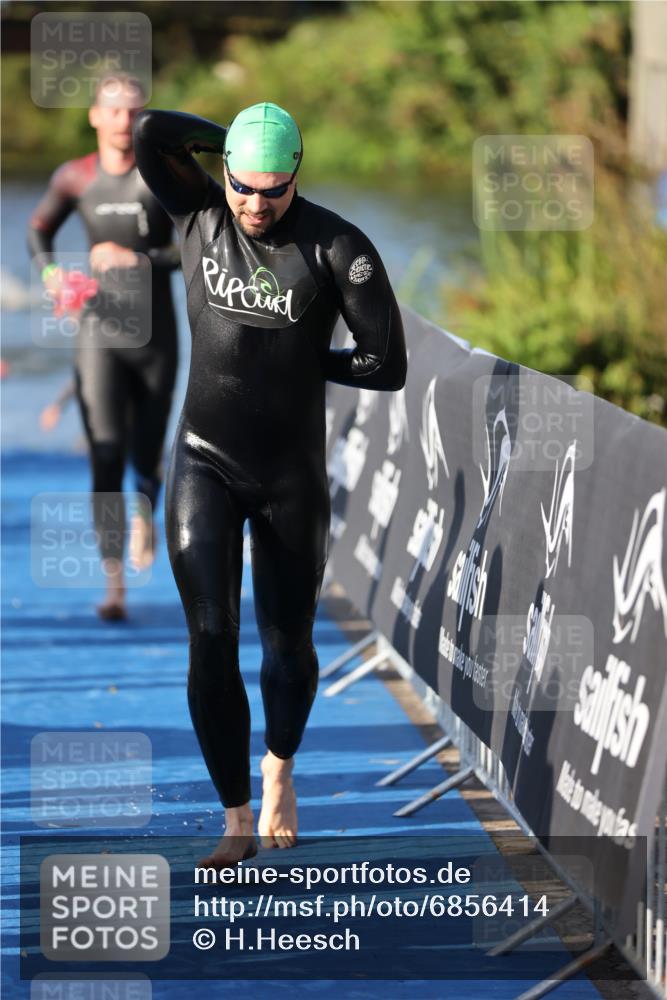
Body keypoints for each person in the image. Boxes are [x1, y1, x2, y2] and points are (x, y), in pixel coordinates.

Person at [132, 101, 407, 864]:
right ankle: (236, 819)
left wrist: (302, 359)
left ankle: (279, 766)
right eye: (243, 187)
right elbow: (153, 129)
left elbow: (385, 364)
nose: (255, 204)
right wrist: (241, 144)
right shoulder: (197, 212)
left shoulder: (336, 245)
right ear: (223, 174)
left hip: (290, 478)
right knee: (210, 637)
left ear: (296, 176)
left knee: (288, 646)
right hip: (203, 461)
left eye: (273, 189)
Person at [27, 72, 181, 620]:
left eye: (134, 112)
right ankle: (114, 584)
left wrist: (139, 259)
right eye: (113, 110)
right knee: (106, 454)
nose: (123, 121)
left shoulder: (165, 176)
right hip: (98, 334)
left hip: (157, 338)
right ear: (95, 115)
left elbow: (197, 246)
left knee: (146, 456)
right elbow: (38, 233)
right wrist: (52, 278)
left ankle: (145, 511)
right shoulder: (75, 177)